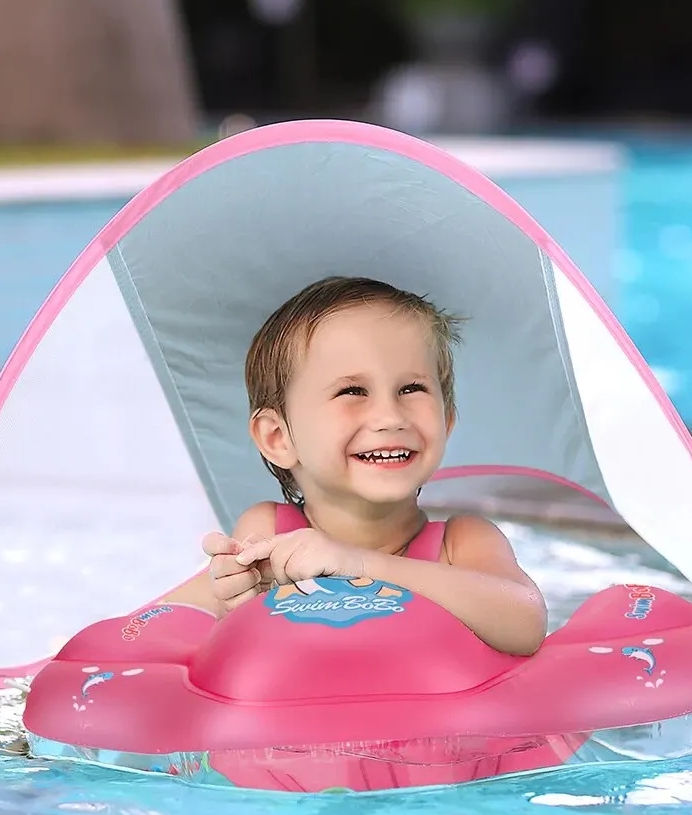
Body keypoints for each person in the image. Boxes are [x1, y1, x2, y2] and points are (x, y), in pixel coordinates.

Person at [170, 276, 547, 656]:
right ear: (278, 438)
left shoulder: (463, 543)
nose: (390, 417)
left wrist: (359, 565)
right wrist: (230, 593)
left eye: (412, 389)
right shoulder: (269, 534)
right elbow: (166, 619)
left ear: (446, 420)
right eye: (352, 391)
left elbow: (525, 622)